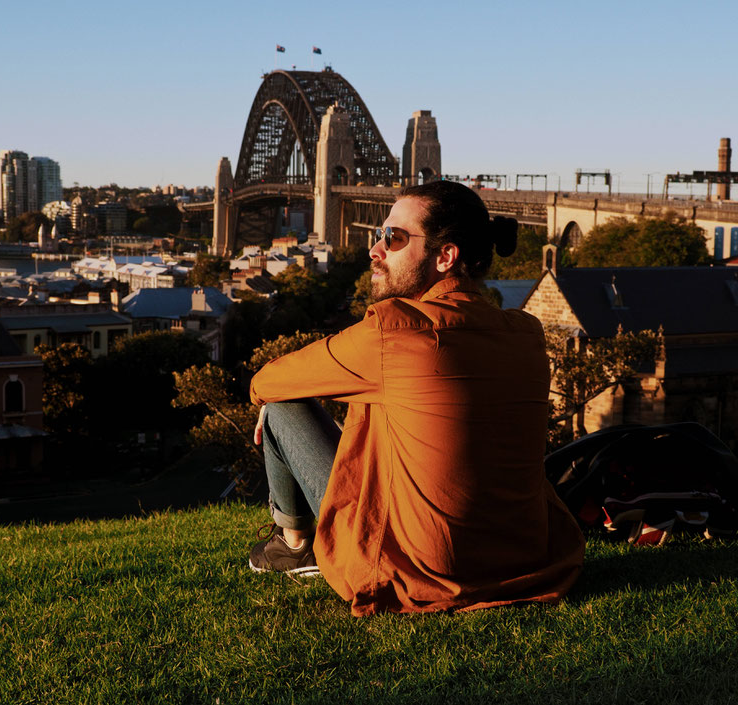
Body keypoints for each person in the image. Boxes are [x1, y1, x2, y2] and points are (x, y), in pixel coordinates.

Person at [248, 180, 585, 616]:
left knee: (281, 408)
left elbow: (265, 382)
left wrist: (274, 399)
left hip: (416, 571)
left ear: (445, 256)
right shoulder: (526, 333)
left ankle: (293, 543)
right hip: (526, 562)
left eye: (393, 238)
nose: (375, 250)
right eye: (378, 235)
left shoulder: (393, 331)